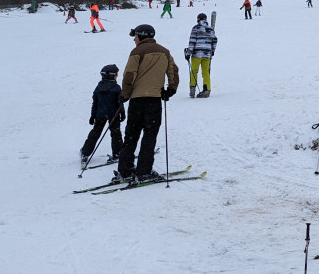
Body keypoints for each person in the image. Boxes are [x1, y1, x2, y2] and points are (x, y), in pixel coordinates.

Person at [116, 24, 179, 183]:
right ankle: (144, 171)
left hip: (137, 101)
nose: (134, 40)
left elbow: (129, 75)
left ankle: (125, 170)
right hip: (154, 101)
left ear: (142, 36)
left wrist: (125, 94)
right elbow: (173, 70)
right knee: (149, 136)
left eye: (135, 37)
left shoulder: (137, 52)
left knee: (131, 136)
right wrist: (171, 89)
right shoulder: (164, 51)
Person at [80, 64, 125, 164]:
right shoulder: (117, 88)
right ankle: (117, 153)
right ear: (112, 75)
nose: (117, 76)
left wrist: (93, 115)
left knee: (95, 133)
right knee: (116, 133)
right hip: (114, 115)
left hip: (100, 115)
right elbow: (120, 103)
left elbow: (95, 103)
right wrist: (122, 113)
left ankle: (85, 152)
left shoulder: (98, 87)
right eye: (116, 74)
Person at [186, 12, 218, 98]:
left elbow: (192, 41)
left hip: (196, 53)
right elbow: (214, 40)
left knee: (194, 71)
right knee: (206, 73)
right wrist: (212, 51)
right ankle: (207, 89)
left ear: (198, 19)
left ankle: (192, 90)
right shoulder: (210, 29)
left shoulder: (196, 28)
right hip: (207, 54)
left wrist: (188, 53)